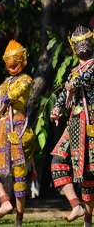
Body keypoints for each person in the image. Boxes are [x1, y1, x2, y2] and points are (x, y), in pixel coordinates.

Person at [0, 40, 35, 226]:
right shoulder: (4, 83)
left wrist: (9, 97)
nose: (12, 66)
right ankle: (5, 201)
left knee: (19, 176)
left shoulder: (26, 79)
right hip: (3, 132)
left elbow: (19, 91)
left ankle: (19, 221)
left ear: (23, 60)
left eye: (16, 61)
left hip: (19, 131)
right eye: (9, 62)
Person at [50, 25, 94, 227]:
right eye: (79, 43)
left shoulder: (92, 67)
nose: (82, 46)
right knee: (57, 161)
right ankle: (75, 204)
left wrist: (71, 86)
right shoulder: (74, 71)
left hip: (91, 123)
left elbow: (82, 80)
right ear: (73, 47)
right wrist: (56, 109)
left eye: (85, 42)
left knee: (89, 175)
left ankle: (87, 220)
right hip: (75, 124)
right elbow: (63, 93)